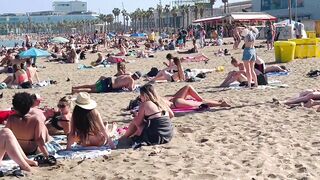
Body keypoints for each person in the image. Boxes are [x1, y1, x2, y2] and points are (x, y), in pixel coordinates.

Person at [5, 92, 51, 157]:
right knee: (43, 127)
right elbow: (39, 139)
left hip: (17, 149)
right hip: (31, 150)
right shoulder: (36, 119)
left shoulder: (11, 119)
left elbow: (6, 136)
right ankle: (49, 140)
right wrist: (47, 155)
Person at [71, 71, 142, 94]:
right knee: (92, 90)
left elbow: (119, 74)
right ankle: (76, 91)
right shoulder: (131, 80)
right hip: (110, 85)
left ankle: (75, 87)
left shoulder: (128, 73)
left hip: (109, 79)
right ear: (137, 77)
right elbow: (130, 89)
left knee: (91, 85)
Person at [166, 85, 230, 109]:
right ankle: (220, 103)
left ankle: (217, 102)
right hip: (175, 101)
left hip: (174, 100)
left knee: (188, 88)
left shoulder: (157, 101)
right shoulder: (157, 98)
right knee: (200, 103)